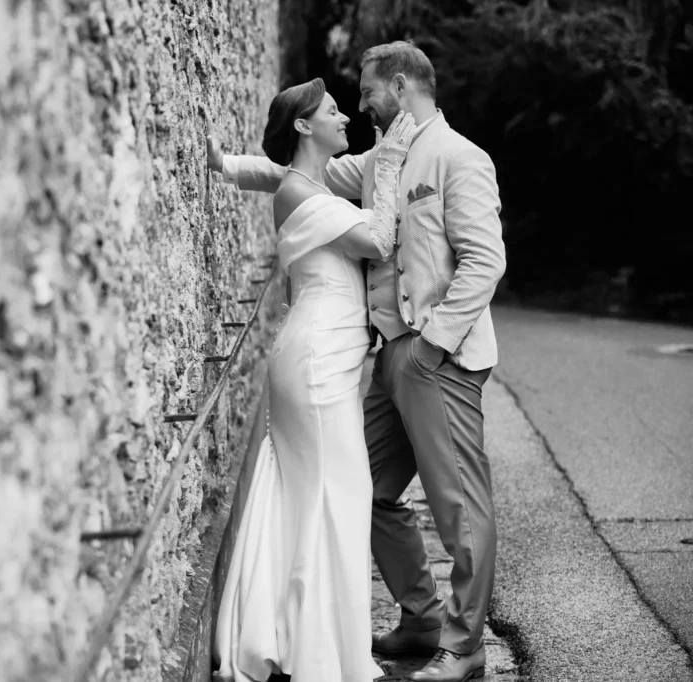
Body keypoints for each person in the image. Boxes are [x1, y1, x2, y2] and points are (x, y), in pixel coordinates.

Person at [208, 41, 506, 682]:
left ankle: (462, 645)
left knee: (457, 506)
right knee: (364, 490)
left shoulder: (460, 157)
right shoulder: (376, 162)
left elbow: (485, 261)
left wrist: (434, 344)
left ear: (400, 87)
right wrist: (228, 165)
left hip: (438, 356)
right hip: (384, 359)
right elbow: (295, 175)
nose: (361, 103)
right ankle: (423, 615)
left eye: (367, 92)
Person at [213, 77, 415, 682]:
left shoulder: (305, 184)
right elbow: (380, 236)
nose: (345, 117)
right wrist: (395, 161)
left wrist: (223, 163)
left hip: (319, 354)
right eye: (332, 112)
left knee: (310, 496)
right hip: (319, 361)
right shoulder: (306, 193)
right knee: (339, 499)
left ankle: (296, 637)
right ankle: (325, 655)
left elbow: (272, 172)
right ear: (305, 127)